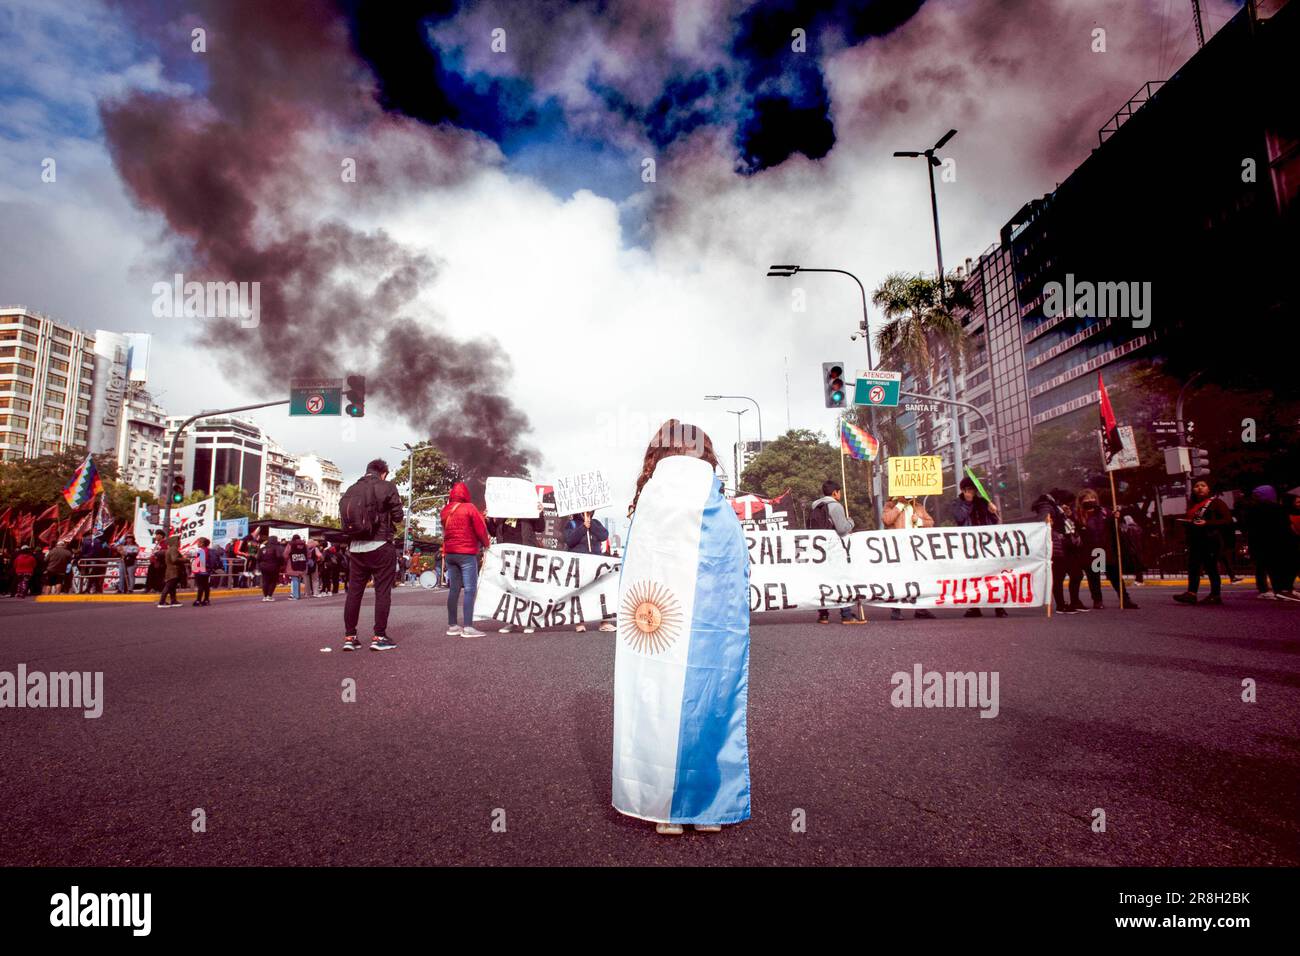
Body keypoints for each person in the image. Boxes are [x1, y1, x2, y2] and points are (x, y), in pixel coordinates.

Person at [613, 419, 750, 836]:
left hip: (657, 623)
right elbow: (737, 564)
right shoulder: (717, 500)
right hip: (713, 624)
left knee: (655, 700)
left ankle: (661, 803)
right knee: (713, 695)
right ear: (705, 452)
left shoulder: (649, 498)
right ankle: (709, 804)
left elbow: (632, 569)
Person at [339, 458, 404, 651]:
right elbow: (399, 516)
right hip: (381, 544)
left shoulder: (351, 489)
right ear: (383, 472)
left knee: (354, 593)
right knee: (382, 591)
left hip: (357, 547)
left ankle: (350, 637)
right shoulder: (387, 486)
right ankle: (379, 636)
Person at [808, 480, 867, 625]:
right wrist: (851, 522)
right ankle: (846, 614)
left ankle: (823, 615)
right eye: (839, 492)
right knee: (842, 579)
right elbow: (842, 529)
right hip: (834, 549)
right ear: (835, 492)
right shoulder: (835, 506)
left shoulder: (815, 506)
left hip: (819, 550)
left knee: (823, 580)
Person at [952, 476, 1010, 618]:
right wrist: (967, 503)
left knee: (993, 575)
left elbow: (994, 521)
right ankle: (974, 607)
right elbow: (959, 518)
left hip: (987, 544)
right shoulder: (957, 503)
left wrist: (993, 512)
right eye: (968, 489)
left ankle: (999, 606)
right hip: (970, 546)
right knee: (973, 576)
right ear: (963, 490)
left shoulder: (983, 502)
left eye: (973, 489)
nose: (971, 492)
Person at [440, 481, 490, 639]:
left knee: (453, 589)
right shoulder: (470, 508)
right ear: (466, 494)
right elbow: (480, 529)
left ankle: (453, 625)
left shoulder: (445, 510)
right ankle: (468, 627)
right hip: (466, 553)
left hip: (450, 554)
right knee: (470, 589)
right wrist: (486, 544)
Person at [1174, 478, 1232, 606]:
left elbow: (1227, 520)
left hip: (1211, 540)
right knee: (1193, 567)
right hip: (1196, 540)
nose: (1199, 488)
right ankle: (1191, 593)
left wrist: (1208, 523)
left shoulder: (1216, 503)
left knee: (1211, 567)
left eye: (1203, 485)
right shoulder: (1193, 505)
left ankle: (1215, 595)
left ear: (1208, 489)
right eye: (1196, 486)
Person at [1076, 489, 1138, 609]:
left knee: (1115, 576)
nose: (1090, 501)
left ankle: (1125, 599)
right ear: (1081, 501)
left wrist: (1117, 517)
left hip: (1107, 548)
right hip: (1091, 550)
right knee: (1094, 577)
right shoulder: (1079, 515)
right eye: (1086, 499)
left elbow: (1114, 527)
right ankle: (1097, 600)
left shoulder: (1105, 512)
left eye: (1092, 498)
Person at [882, 495, 939, 620]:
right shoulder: (890, 505)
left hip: (915, 549)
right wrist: (900, 505)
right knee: (898, 578)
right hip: (898, 549)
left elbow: (931, 522)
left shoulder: (918, 506)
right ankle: (896, 609)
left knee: (918, 577)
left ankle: (920, 609)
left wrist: (919, 521)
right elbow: (887, 520)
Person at [1243, 485, 1299, 602]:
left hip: (1259, 543)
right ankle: (1283, 589)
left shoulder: (1251, 509)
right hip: (1278, 542)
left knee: (1262, 567)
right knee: (1278, 566)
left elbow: (1247, 527)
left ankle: (1268, 590)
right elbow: (1287, 527)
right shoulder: (1279, 509)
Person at [565, 511, 615, 632]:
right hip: (580, 563)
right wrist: (583, 528)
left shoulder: (596, 522)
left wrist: (591, 524)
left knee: (600, 592)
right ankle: (580, 622)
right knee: (580, 593)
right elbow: (569, 540)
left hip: (595, 563)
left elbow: (604, 535)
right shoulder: (571, 524)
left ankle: (605, 622)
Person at [1033, 490, 1080, 615]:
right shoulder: (1047, 506)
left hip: (1063, 546)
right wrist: (1049, 523)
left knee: (1073, 574)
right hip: (1057, 546)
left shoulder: (1054, 507)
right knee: (1059, 577)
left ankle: (1069, 603)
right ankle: (1061, 605)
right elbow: (1043, 520)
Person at [158, 536, 184, 608]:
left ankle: (173, 600)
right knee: (169, 586)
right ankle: (162, 601)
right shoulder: (173, 549)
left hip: (171, 570)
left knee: (172, 586)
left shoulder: (171, 549)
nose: (179, 543)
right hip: (173, 570)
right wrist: (185, 559)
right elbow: (174, 559)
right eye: (178, 541)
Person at [256, 535, 283, 602]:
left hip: (263, 567)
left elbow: (258, 558)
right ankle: (269, 596)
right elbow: (279, 556)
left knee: (265, 581)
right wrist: (281, 563)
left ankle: (265, 596)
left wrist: (260, 565)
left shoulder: (263, 548)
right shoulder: (276, 547)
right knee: (273, 581)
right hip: (274, 567)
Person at [190, 536, 214, 606]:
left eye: (198, 542)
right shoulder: (208, 550)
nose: (197, 543)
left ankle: (198, 600)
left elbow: (199, 561)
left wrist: (194, 571)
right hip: (207, 570)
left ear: (202, 543)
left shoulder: (200, 551)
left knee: (200, 586)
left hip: (200, 570)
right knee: (206, 585)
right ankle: (206, 600)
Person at [284, 534, 309, 600]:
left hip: (292, 564)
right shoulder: (305, 545)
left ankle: (295, 596)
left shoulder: (290, 544)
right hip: (302, 564)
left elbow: (286, 554)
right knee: (298, 579)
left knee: (294, 579)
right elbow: (308, 554)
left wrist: (287, 560)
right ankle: (298, 595)